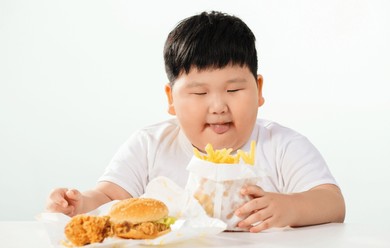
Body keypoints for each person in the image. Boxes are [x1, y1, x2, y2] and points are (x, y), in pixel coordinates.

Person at [46, 11, 345, 232]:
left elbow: (331, 202)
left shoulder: (281, 146)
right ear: (171, 99)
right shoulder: (150, 145)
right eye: (199, 92)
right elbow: (110, 195)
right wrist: (80, 203)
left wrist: (291, 207)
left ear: (259, 91)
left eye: (234, 90)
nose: (218, 106)